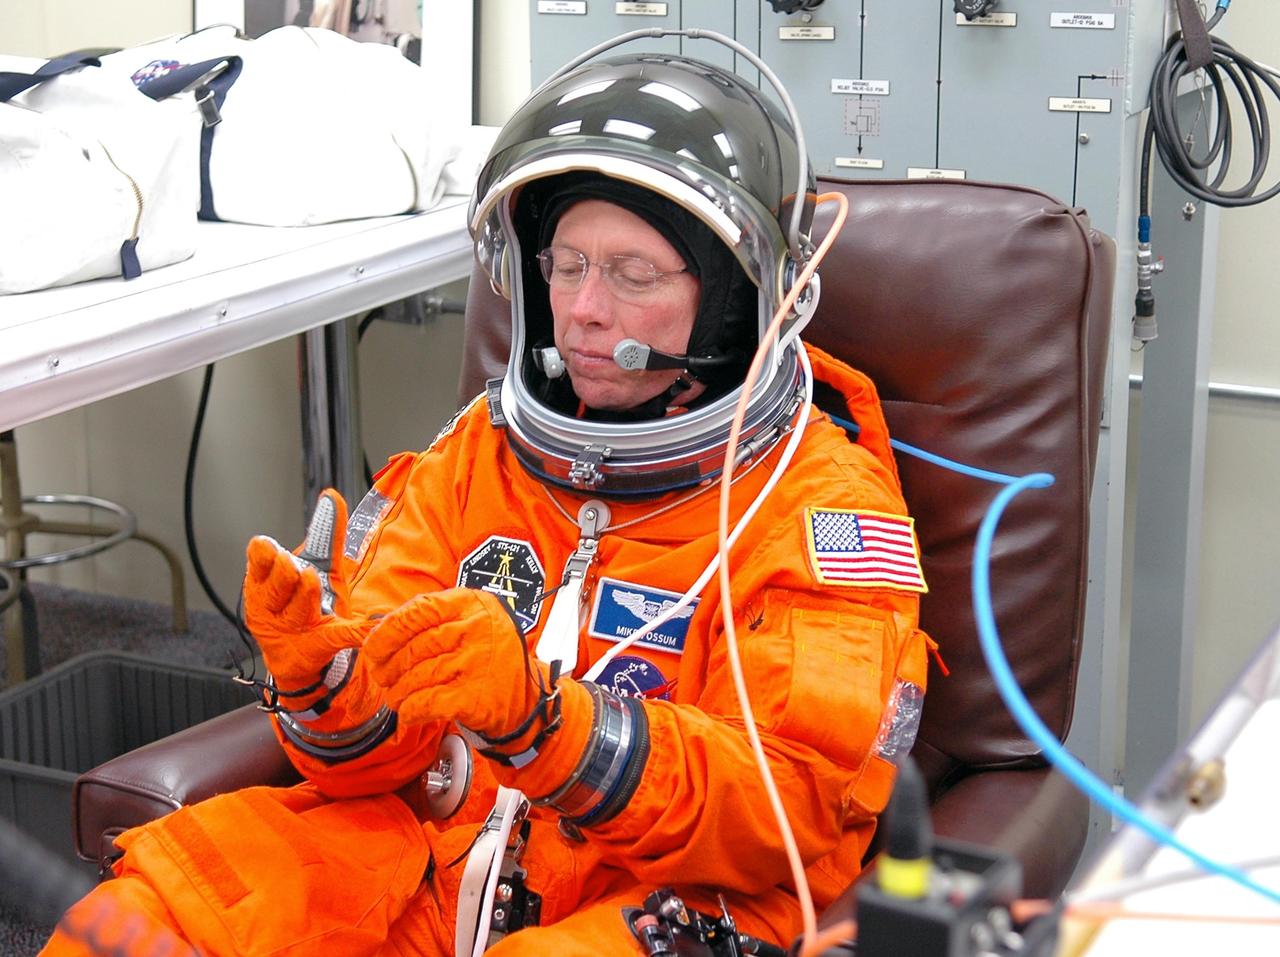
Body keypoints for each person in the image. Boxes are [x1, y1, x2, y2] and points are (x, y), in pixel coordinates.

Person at [43, 47, 931, 957]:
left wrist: (548, 724)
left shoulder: (818, 505)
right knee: (160, 910)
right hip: (426, 853)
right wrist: (325, 687)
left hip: (664, 893)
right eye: (568, 262)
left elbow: (787, 805)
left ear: (736, 302)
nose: (582, 309)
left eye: (634, 274)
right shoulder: (479, 454)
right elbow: (361, 763)